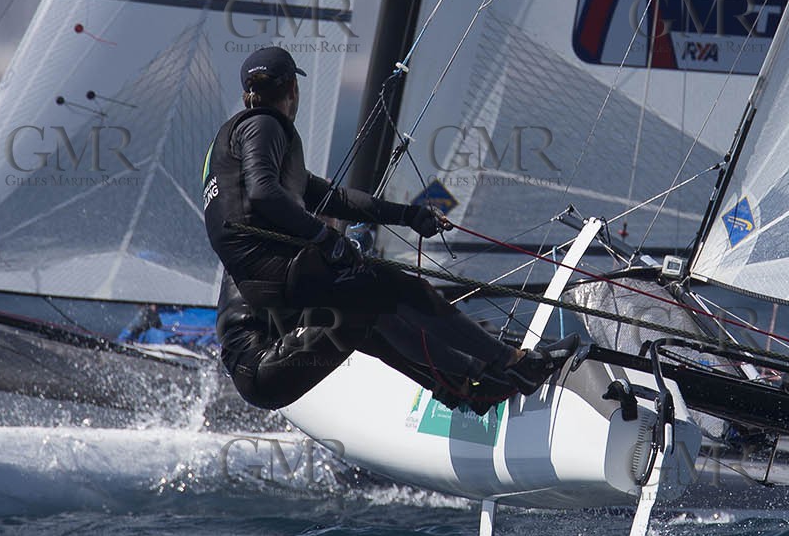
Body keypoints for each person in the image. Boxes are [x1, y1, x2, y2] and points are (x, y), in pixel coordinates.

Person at [203, 47, 568, 413]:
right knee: (393, 287)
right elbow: (264, 192)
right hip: (266, 359)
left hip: (264, 366)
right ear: (292, 89)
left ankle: (468, 385)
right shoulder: (262, 125)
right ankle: (513, 363)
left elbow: (335, 199)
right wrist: (324, 238)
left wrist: (408, 215)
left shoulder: (236, 154)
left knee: (370, 310)